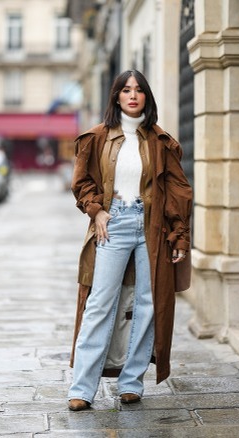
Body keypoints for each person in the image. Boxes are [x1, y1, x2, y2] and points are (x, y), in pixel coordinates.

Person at [68, 70, 193, 411]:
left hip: (151, 226)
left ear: (147, 98)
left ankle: (131, 382)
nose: (133, 95)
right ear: (117, 97)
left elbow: (178, 191)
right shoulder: (96, 138)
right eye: (126, 90)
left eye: (139, 90)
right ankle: (81, 387)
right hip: (114, 222)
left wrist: (179, 235)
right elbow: (82, 183)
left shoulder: (159, 141)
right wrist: (97, 211)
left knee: (148, 303)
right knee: (100, 303)